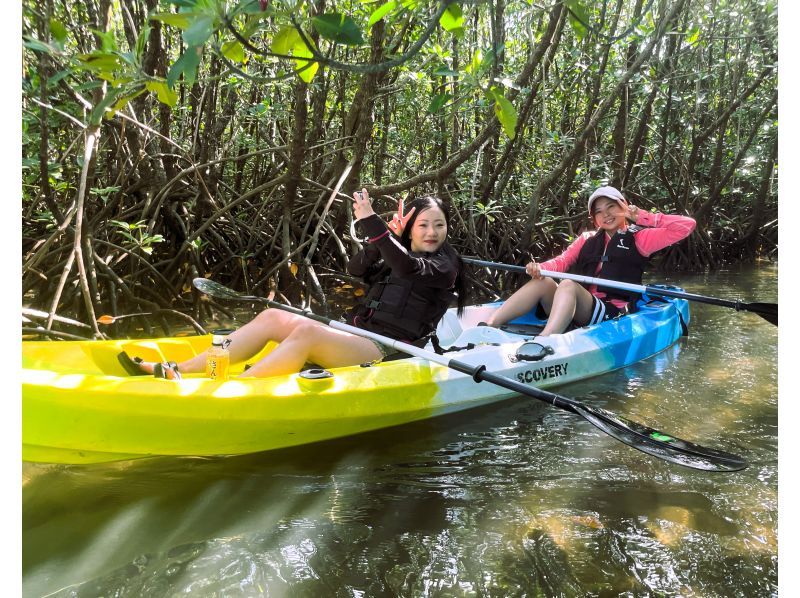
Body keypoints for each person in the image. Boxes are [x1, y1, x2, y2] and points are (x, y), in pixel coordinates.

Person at [119, 190, 467, 379]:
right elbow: (357, 267)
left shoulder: (445, 265)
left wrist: (373, 224)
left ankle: (237, 387)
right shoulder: (395, 249)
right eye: (422, 225)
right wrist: (385, 236)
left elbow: (408, 270)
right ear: (409, 227)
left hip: (391, 349)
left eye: (438, 225)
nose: (431, 232)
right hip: (360, 334)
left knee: (307, 335)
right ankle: (183, 371)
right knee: (272, 318)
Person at [486, 185, 696, 335]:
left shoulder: (641, 238)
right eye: (599, 212)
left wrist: (642, 216)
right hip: (582, 306)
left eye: (611, 207)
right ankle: (490, 325)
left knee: (567, 284)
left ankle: (546, 339)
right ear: (594, 219)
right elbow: (561, 261)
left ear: (624, 206)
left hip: (612, 312)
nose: (606, 215)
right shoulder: (587, 239)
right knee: (544, 281)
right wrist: (541, 267)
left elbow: (687, 225)